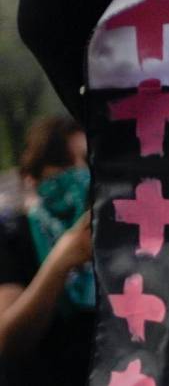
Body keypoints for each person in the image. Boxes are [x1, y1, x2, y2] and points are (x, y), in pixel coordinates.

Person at [0, 116, 95, 386]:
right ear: (32, 177)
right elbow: (8, 340)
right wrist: (60, 261)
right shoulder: (13, 236)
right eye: (64, 163)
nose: (80, 172)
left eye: (87, 160)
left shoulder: (113, 233)